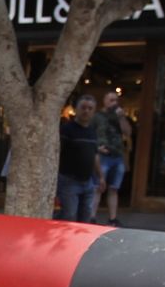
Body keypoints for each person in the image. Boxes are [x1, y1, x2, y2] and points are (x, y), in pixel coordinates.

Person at [56, 93, 106, 223]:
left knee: (86, 217)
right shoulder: (67, 129)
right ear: (76, 109)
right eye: (83, 107)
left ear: (94, 112)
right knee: (69, 215)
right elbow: (57, 152)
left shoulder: (92, 131)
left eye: (90, 108)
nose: (86, 111)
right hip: (68, 180)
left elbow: (94, 155)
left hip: (87, 181)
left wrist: (101, 177)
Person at [94, 90, 132, 226]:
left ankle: (112, 218)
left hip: (117, 155)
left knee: (114, 188)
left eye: (115, 100)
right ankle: (91, 217)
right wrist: (96, 148)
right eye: (110, 100)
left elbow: (128, 132)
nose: (113, 102)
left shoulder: (119, 116)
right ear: (104, 100)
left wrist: (122, 117)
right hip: (103, 155)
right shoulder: (97, 116)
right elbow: (89, 132)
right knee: (98, 187)